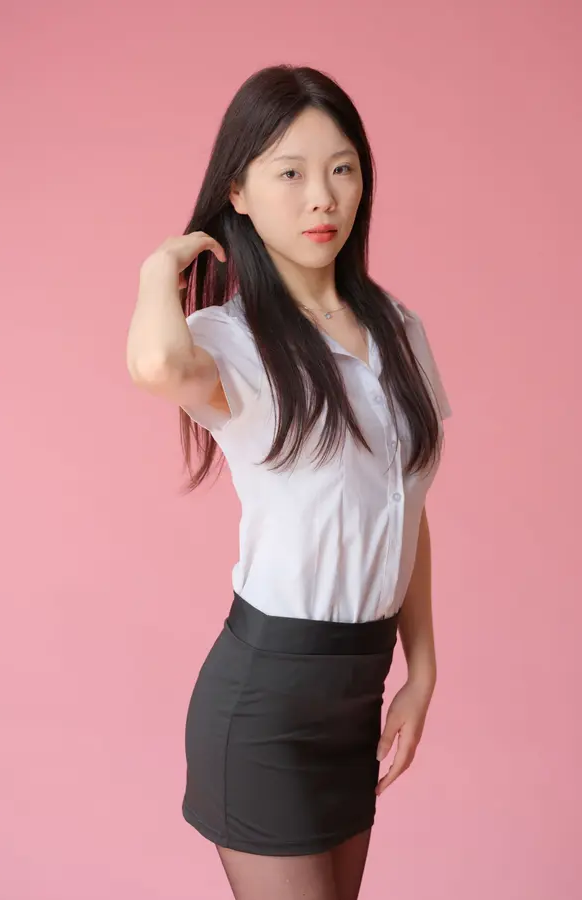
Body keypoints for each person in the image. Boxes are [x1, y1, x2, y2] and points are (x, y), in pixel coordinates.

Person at [126, 64, 452, 900]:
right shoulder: (230, 342)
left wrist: (421, 671)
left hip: (358, 689)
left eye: (342, 169)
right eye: (290, 173)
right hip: (265, 700)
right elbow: (155, 364)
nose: (322, 198)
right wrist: (159, 269)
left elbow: (404, 509)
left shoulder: (400, 329)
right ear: (236, 192)